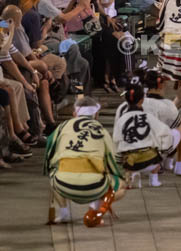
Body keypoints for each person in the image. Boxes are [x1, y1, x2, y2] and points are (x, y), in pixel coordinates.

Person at [44, 96, 125, 225]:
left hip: (63, 185)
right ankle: (94, 209)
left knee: (53, 171)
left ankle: (64, 213)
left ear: (74, 114)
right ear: (96, 115)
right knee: (120, 184)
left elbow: (49, 151)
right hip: (94, 187)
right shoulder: (102, 131)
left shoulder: (62, 127)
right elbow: (113, 160)